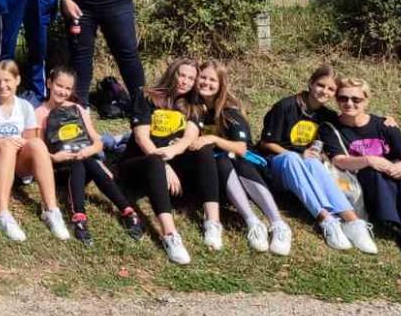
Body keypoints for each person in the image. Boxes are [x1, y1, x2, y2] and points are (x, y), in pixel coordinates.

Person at [259, 64, 377, 253]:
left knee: (313, 161)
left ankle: (353, 222)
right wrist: (298, 154)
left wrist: (386, 121)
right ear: (311, 83)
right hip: (277, 167)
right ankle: (327, 221)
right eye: (321, 85)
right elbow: (265, 143)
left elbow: (355, 122)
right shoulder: (286, 106)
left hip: (306, 167)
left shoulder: (327, 116)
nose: (325, 91)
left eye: (331, 89)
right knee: (293, 158)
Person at [115, 59, 218, 265]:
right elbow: (141, 138)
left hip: (171, 162)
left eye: (191, 78)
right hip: (138, 163)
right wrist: (163, 165)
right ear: (172, 73)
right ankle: (170, 235)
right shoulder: (146, 96)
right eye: (182, 75)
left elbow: (189, 138)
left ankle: (213, 223)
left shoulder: (194, 105)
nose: (185, 81)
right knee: (154, 161)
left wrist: (172, 153)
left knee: (203, 150)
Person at [323, 77, 401, 258]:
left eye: (356, 99)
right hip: (365, 183)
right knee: (374, 171)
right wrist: (369, 160)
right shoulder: (331, 128)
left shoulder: (384, 125)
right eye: (343, 98)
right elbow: (339, 160)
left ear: (366, 100)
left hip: (395, 180)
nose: (349, 103)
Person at [191, 59, 291, 255]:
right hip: (219, 171)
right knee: (220, 159)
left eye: (213, 80)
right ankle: (253, 222)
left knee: (235, 159)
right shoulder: (194, 108)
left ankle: (278, 224)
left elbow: (241, 148)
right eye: (203, 77)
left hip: (248, 167)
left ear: (221, 85)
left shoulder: (230, 110)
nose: (206, 83)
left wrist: (212, 138)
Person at [35, 67, 144, 246]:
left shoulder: (77, 109)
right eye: (58, 85)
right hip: (56, 168)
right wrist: (55, 158)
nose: (62, 91)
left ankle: (121, 211)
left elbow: (98, 142)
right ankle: (91, 213)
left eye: (68, 88)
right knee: (81, 163)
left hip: (83, 160)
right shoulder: (40, 113)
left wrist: (88, 151)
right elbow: (37, 150)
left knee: (83, 160)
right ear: (49, 83)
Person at [0, 60, 70, 242]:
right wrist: (1, 141)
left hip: (15, 161)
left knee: (37, 144)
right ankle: (2, 213)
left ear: (17, 80)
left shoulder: (25, 107)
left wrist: (20, 144)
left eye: (7, 80)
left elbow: (30, 141)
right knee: (6, 146)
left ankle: (52, 210)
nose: (2, 85)